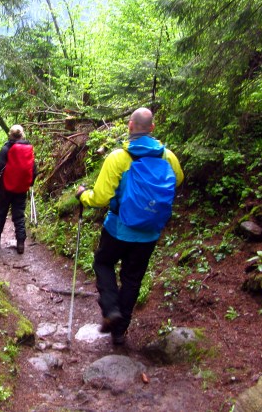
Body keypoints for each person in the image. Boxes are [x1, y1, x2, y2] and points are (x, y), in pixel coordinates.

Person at [76, 107, 184, 346]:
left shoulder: (118, 158)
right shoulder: (168, 157)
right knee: (132, 279)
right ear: (152, 128)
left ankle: (111, 309)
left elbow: (101, 198)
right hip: (149, 232)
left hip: (118, 228)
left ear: (130, 126)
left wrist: (83, 196)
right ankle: (119, 331)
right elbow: (178, 180)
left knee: (103, 262)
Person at [0, 124, 37, 254]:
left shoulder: (7, 148)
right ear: (22, 134)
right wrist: (30, 182)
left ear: (10, 134)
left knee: (1, 211)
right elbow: (33, 169)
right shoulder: (28, 149)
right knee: (18, 214)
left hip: (6, 186)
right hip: (22, 187)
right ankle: (20, 243)